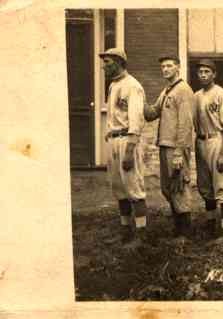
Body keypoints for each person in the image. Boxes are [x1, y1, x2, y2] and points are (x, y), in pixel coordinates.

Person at [99, 48, 148, 249]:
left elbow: (136, 120)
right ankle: (126, 232)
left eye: (107, 62)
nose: (104, 67)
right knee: (119, 188)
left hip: (127, 140)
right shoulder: (113, 85)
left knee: (134, 188)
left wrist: (129, 150)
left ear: (119, 62)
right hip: (114, 139)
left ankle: (141, 236)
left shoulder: (133, 86)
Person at [144, 55, 195, 239]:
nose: (165, 69)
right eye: (163, 66)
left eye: (169, 66)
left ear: (178, 68)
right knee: (168, 188)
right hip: (165, 144)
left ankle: (185, 232)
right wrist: (138, 97)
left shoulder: (184, 90)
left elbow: (185, 123)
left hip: (176, 147)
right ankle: (178, 228)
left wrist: (180, 152)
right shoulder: (167, 90)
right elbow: (152, 113)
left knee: (180, 186)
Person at [193, 59, 223, 238]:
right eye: (200, 72)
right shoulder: (196, 96)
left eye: (206, 72)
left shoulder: (222, 93)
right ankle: (210, 225)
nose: (203, 75)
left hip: (217, 140)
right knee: (205, 187)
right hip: (201, 141)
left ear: (214, 74)